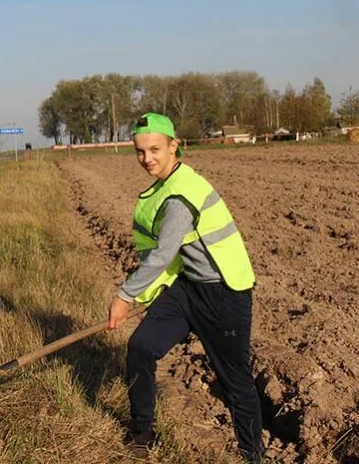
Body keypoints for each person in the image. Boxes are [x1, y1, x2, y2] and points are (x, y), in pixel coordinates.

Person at [107, 113, 263, 463]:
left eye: (155, 150)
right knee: (141, 348)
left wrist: (124, 296)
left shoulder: (180, 195)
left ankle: (253, 456)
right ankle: (142, 433)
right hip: (188, 287)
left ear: (174, 146)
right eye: (140, 151)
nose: (147, 159)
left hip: (224, 293)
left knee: (236, 382)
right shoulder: (165, 185)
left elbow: (162, 255)